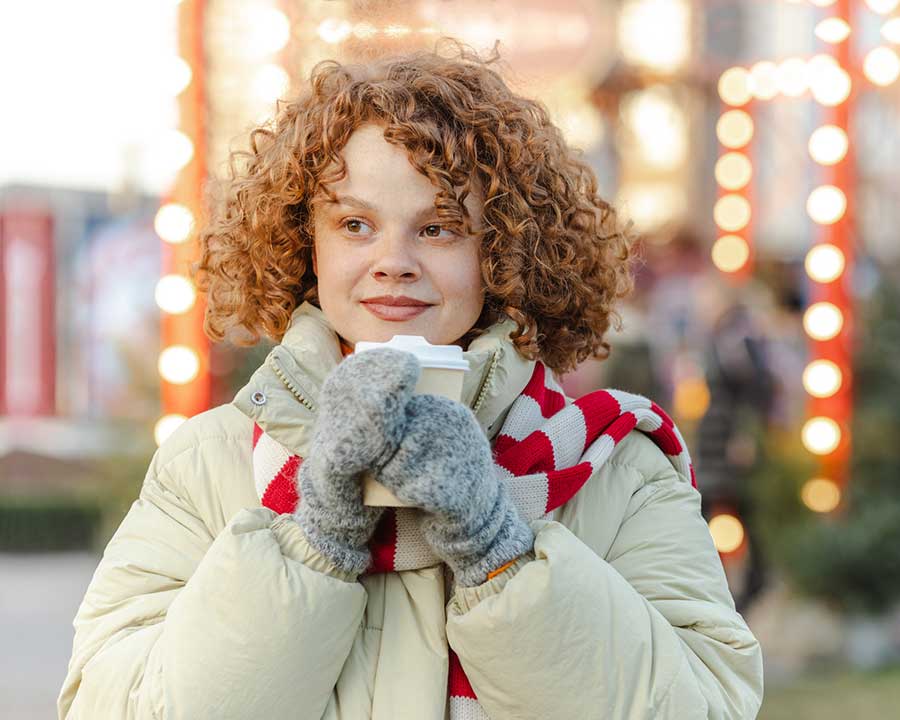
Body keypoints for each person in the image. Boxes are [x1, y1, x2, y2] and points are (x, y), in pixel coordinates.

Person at [58, 41, 764, 719]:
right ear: (307, 242)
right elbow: (110, 704)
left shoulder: (619, 470)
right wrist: (315, 540)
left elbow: (705, 705)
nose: (393, 260)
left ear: (505, 248)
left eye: (439, 228)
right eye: (357, 223)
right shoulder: (208, 463)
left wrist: (499, 551)